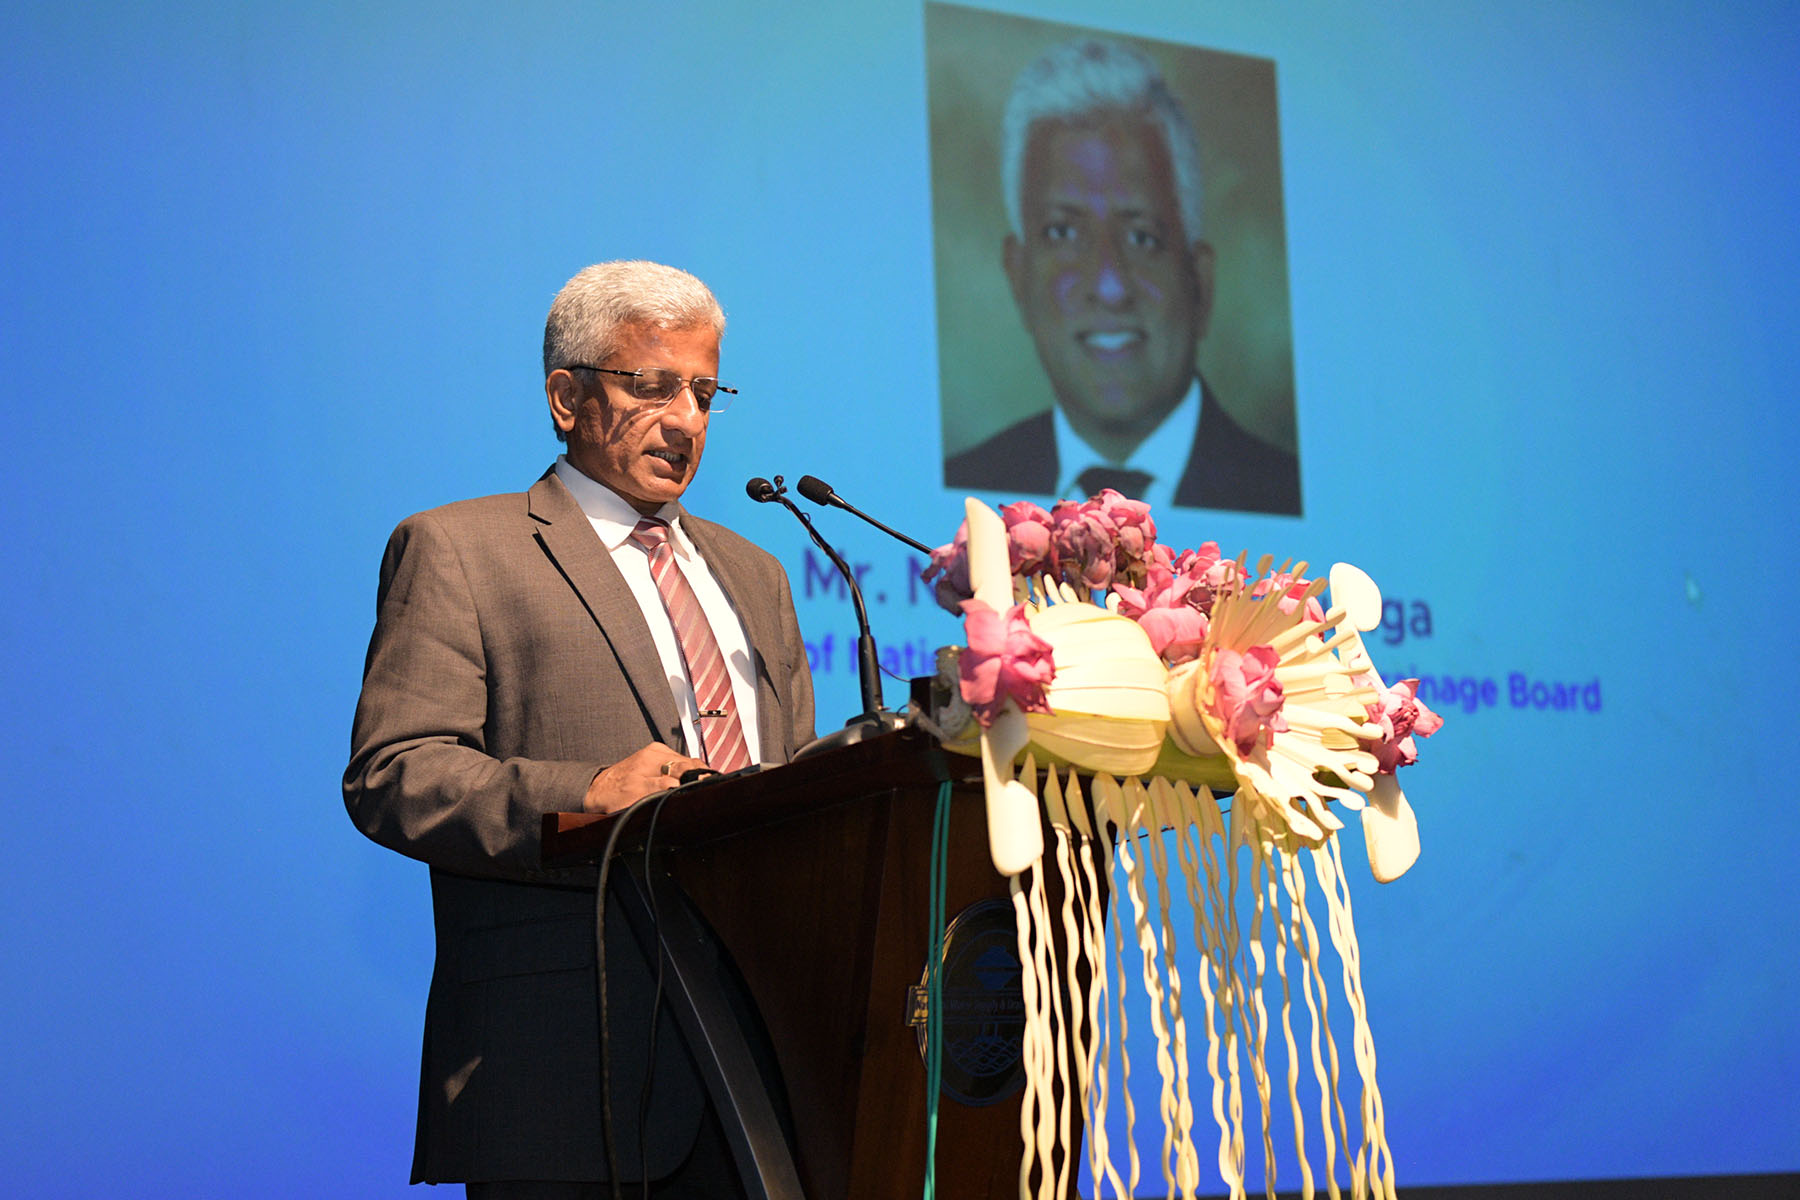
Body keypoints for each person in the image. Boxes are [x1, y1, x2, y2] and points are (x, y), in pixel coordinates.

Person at [344, 260, 815, 1197]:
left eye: (704, 393)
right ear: (567, 397)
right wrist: (585, 792)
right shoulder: (461, 550)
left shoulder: (756, 571)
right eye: (651, 387)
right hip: (566, 1072)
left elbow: (798, 784)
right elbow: (396, 772)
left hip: (768, 1071)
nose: (685, 421)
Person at [943, 37, 1302, 515]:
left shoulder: (1281, 491)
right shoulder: (970, 488)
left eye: (1142, 238)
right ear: (1018, 275)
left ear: (1200, 280)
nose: (1110, 286)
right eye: (1063, 233)